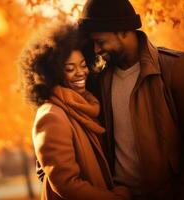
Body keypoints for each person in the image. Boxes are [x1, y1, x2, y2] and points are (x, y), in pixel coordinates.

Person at [78, 0, 184, 200]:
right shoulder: (99, 82)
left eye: (100, 42)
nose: (96, 50)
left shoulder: (176, 67)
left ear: (123, 31)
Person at [19, 23, 131, 200]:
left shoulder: (86, 106)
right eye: (70, 69)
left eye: (83, 65)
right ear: (53, 74)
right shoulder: (51, 117)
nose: (80, 73)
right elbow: (67, 185)